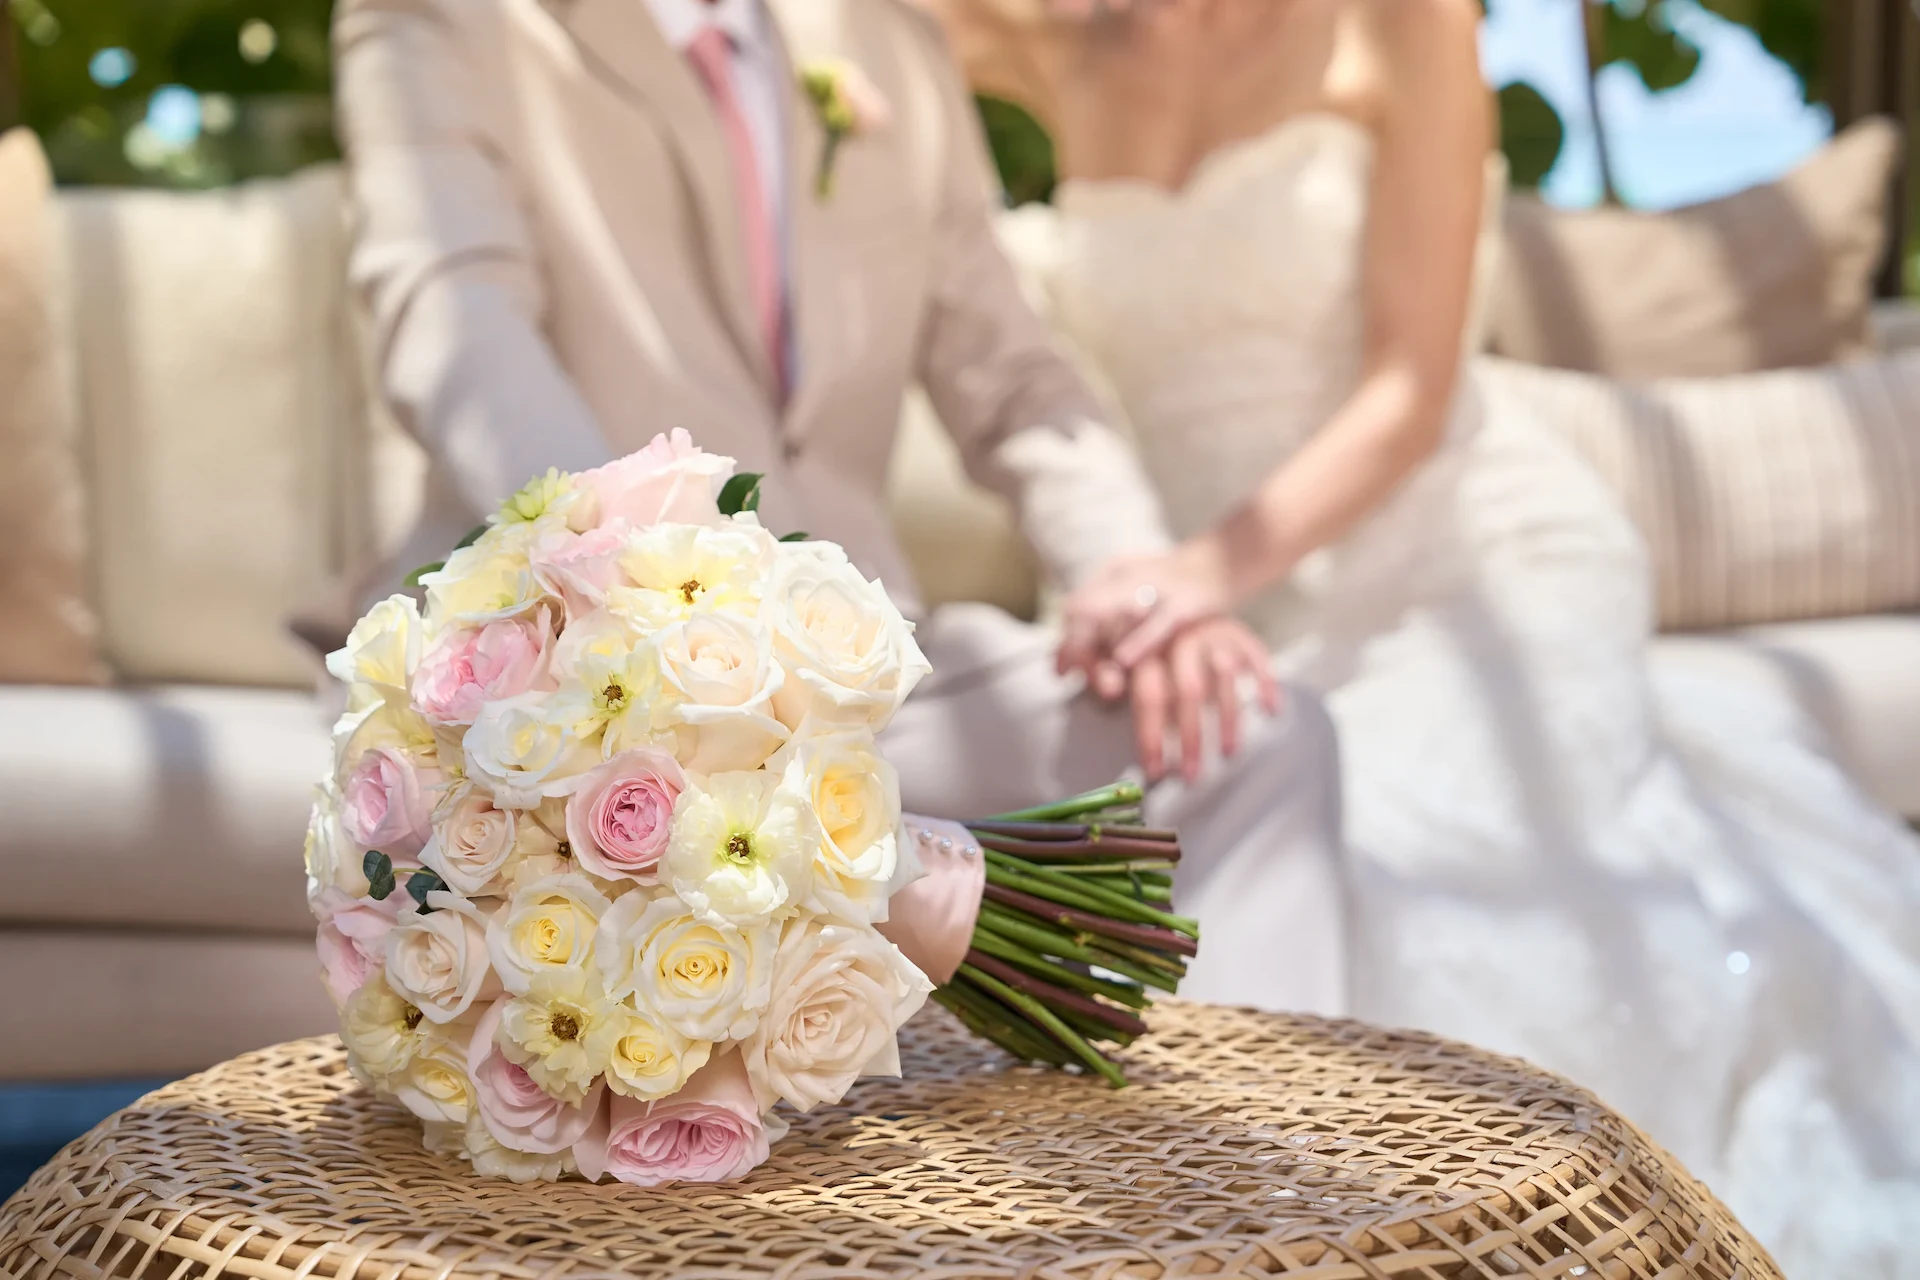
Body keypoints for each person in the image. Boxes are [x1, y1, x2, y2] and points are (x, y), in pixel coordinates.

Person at [912, 0, 1920, 1275]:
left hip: (1455, 559)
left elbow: (1409, 389)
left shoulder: (1405, 22)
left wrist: (1194, 576)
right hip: (1206, 610)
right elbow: (802, 56)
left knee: (1386, 861)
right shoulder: (1045, 38)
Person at [331, 0, 1347, 1014]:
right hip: (571, 687)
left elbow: (1011, 373)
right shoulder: (453, 18)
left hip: (860, 675)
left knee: (1249, 730)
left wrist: (1133, 575)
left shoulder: (890, 40)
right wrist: (631, 594)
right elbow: (454, 319)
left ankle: (1246, 1159)